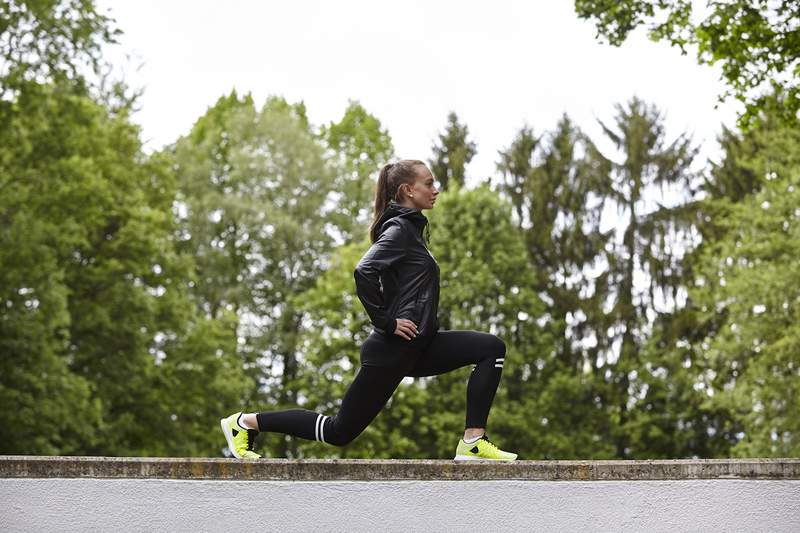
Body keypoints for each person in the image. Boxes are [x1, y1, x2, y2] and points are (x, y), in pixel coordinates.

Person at [220, 159, 517, 461]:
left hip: (419, 344)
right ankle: (243, 423)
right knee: (338, 432)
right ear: (407, 190)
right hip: (394, 348)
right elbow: (364, 270)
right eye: (428, 183)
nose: (435, 190)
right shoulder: (400, 229)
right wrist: (387, 322)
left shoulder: (410, 231)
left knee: (490, 348)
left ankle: (473, 441)